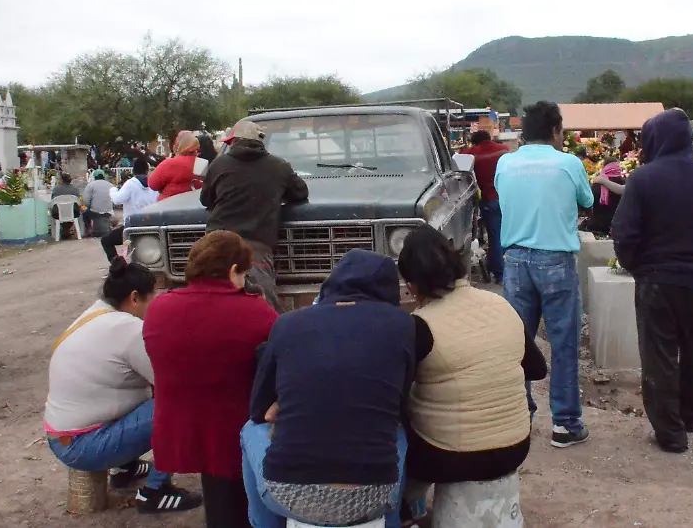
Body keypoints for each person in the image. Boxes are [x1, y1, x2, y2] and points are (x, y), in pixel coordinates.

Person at [242, 249, 413, 528]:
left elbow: (258, 411)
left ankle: (263, 524)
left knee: (249, 430)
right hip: (375, 495)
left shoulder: (287, 324)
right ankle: (394, 521)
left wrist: (284, 407)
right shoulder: (401, 325)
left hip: (290, 495)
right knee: (399, 431)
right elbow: (398, 402)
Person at [611, 108, 693, 454]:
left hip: (656, 281)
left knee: (660, 354)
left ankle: (670, 433)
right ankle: (691, 415)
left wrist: (637, 267)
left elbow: (624, 233)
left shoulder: (643, 179)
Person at [397, 226, 546, 505]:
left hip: (449, 458)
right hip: (516, 447)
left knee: (396, 423)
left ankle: (407, 507)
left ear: (412, 284)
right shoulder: (500, 304)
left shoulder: (420, 325)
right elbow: (537, 369)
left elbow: (396, 393)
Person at [43, 258, 201, 514]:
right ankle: (154, 492)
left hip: (63, 437)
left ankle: (125, 468)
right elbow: (171, 383)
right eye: (153, 298)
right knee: (184, 402)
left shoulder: (96, 313)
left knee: (137, 391)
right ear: (135, 298)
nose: (155, 306)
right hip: (84, 445)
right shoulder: (129, 328)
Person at [144, 231, 278, 528]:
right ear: (233, 271)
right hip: (239, 432)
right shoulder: (255, 311)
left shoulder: (159, 309)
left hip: (182, 430)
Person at [493, 100, 594, 448]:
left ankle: (519, 417)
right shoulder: (568, 163)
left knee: (517, 343)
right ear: (555, 131)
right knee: (564, 343)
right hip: (556, 261)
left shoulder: (506, 163)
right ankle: (565, 424)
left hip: (516, 261)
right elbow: (588, 201)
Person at [201, 119, 308, 312]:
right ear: (260, 142)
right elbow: (300, 193)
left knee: (212, 302)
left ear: (234, 141)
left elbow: (206, 199)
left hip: (215, 243)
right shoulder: (279, 166)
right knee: (264, 305)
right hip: (256, 248)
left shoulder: (219, 164)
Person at [460, 130, 510, 283]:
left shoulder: (471, 154)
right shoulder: (504, 150)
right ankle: (503, 268)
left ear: (475, 142)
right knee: (506, 235)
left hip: (488, 200)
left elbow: (461, 170)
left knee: (494, 237)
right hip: (507, 198)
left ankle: (500, 273)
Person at [101, 159, 159, 262]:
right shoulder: (153, 185)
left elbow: (117, 200)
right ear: (147, 171)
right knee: (126, 247)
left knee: (106, 240)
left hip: (131, 229)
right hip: (151, 226)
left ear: (133, 171)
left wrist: (113, 190)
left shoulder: (131, 183)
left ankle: (118, 265)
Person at [148, 131, 203, 200]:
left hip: (168, 206)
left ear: (178, 146)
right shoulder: (202, 163)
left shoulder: (169, 164)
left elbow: (153, 184)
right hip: (195, 205)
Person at [586, 157, 627, 236]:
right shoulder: (625, 182)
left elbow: (590, 203)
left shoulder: (597, 184)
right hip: (619, 226)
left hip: (598, 227)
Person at [82, 169, 115, 237]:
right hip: (109, 211)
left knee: (84, 212)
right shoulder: (111, 185)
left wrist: (89, 206)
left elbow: (85, 201)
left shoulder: (90, 185)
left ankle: (88, 229)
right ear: (103, 176)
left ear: (94, 177)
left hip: (95, 212)